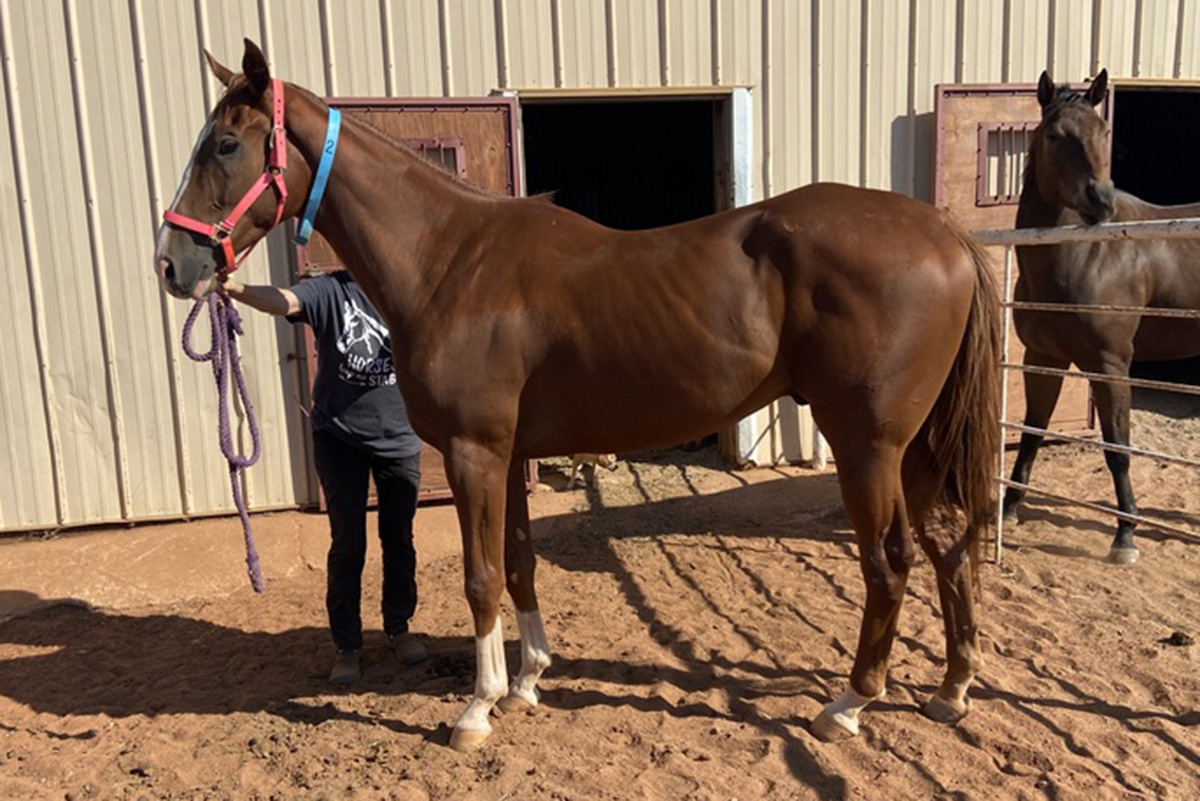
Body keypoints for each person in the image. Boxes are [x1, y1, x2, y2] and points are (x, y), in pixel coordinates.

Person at [221, 269, 427, 684]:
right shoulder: (332, 289)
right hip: (341, 438)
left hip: (401, 438)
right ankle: (347, 646)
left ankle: (399, 628)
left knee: (399, 540)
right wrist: (232, 288)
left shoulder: (408, 286)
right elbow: (284, 301)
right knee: (348, 544)